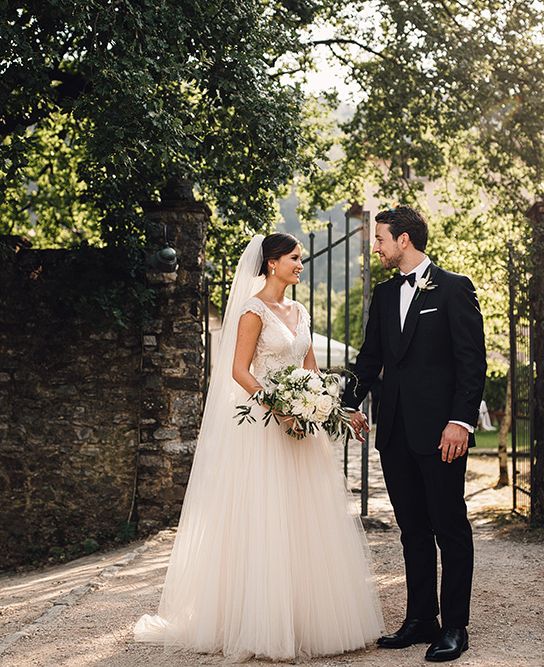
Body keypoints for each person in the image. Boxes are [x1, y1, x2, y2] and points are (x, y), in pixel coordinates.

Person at [134, 233, 383, 662]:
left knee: (305, 522)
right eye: (294, 258)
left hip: (304, 431)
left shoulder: (300, 311)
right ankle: (258, 621)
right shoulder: (253, 311)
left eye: (301, 258)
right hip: (267, 430)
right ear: (271, 264)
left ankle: (307, 618)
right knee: (266, 520)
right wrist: (279, 407)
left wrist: (327, 407)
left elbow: (311, 370)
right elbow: (238, 370)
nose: (301, 265)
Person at [344, 206, 486, 663]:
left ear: (404, 240)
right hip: (397, 433)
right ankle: (421, 618)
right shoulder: (385, 295)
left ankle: (455, 627)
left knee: (450, 526)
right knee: (412, 530)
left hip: (443, 432)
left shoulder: (454, 287)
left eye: (381, 238)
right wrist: (342, 403)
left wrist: (460, 422)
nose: (377, 247)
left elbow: (472, 363)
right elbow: (370, 360)